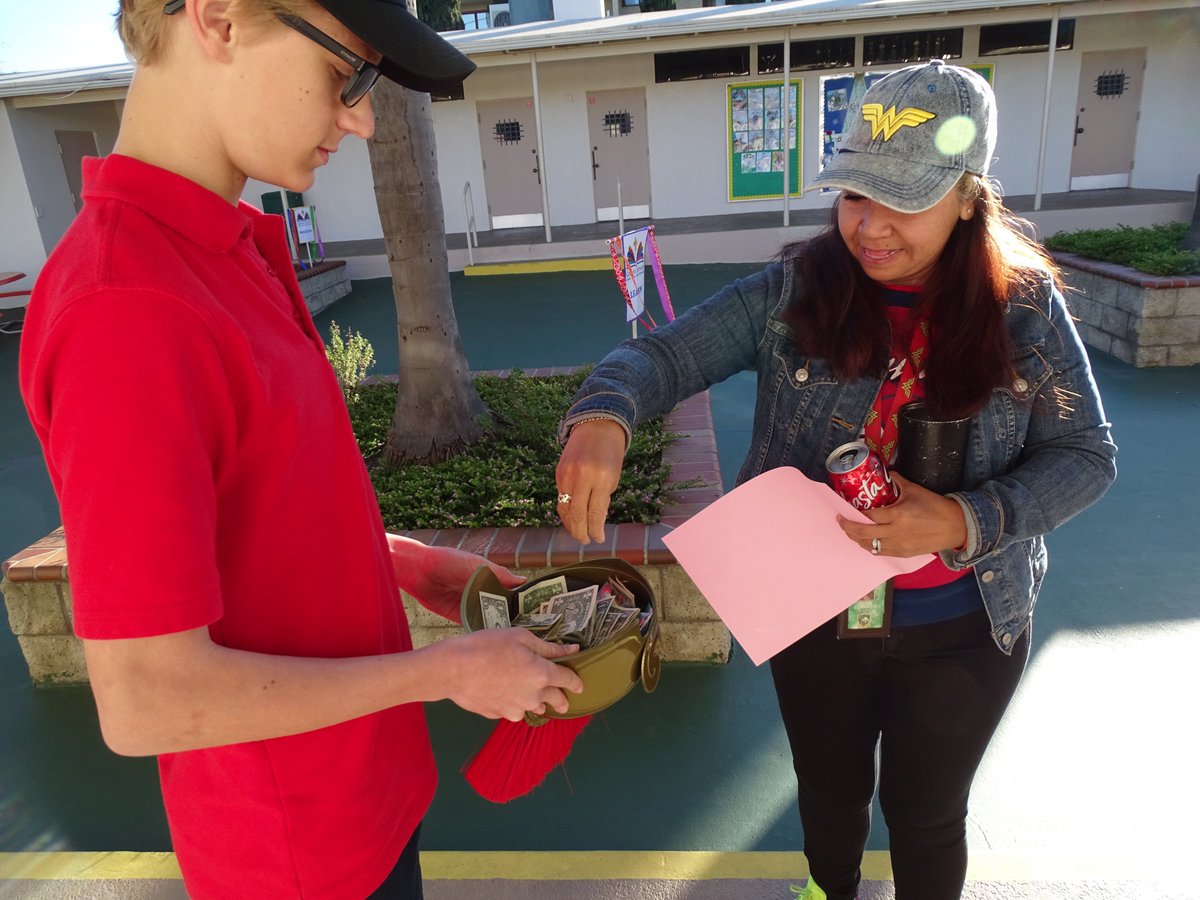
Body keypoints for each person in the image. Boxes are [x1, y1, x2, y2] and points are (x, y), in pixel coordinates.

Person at [19, 1, 583, 897]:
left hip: (361, 800)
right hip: (297, 857)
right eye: (346, 74)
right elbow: (147, 697)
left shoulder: (220, 247)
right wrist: (441, 673)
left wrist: (400, 561)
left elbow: (257, 512)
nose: (360, 117)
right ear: (219, 18)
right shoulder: (128, 309)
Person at [555, 61, 1116, 900]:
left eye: (906, 199)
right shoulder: (793, 289)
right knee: (829, 795)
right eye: (856, 194)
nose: (871, 227)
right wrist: (605, 412)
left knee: (928, 815)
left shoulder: (1023, 305)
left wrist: (965, 520)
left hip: (967, 621)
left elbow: (1087, 455)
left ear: (968, 195)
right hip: (818, 616)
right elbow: (662, 353)